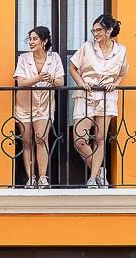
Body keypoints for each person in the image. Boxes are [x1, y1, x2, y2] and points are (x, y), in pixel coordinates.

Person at [68, 14, 129, 189]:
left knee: (100, 139)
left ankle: (93, 178)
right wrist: (81, 83)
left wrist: (115, 84)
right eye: (93, 30)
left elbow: (123, 72)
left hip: (107, 97)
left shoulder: (121, 51)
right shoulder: (87, 47)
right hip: (86, 95)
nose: (95, 33)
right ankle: (100, 170)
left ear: (109, 30)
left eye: (99, 30)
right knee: (80, 140)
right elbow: (73, 67)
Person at [13, 26, 64, 188]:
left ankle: (42, 177)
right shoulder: (23, 58)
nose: (31, 42)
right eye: (30, 39)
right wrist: (38, 78)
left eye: (35, 39)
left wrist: (50, 80)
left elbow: (60, 82)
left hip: (44, 104)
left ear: (45, 41)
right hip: (24, 104)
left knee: (41, 139)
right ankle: (31, 177)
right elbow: (20, 82)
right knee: (27, 142)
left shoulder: (54, 58)